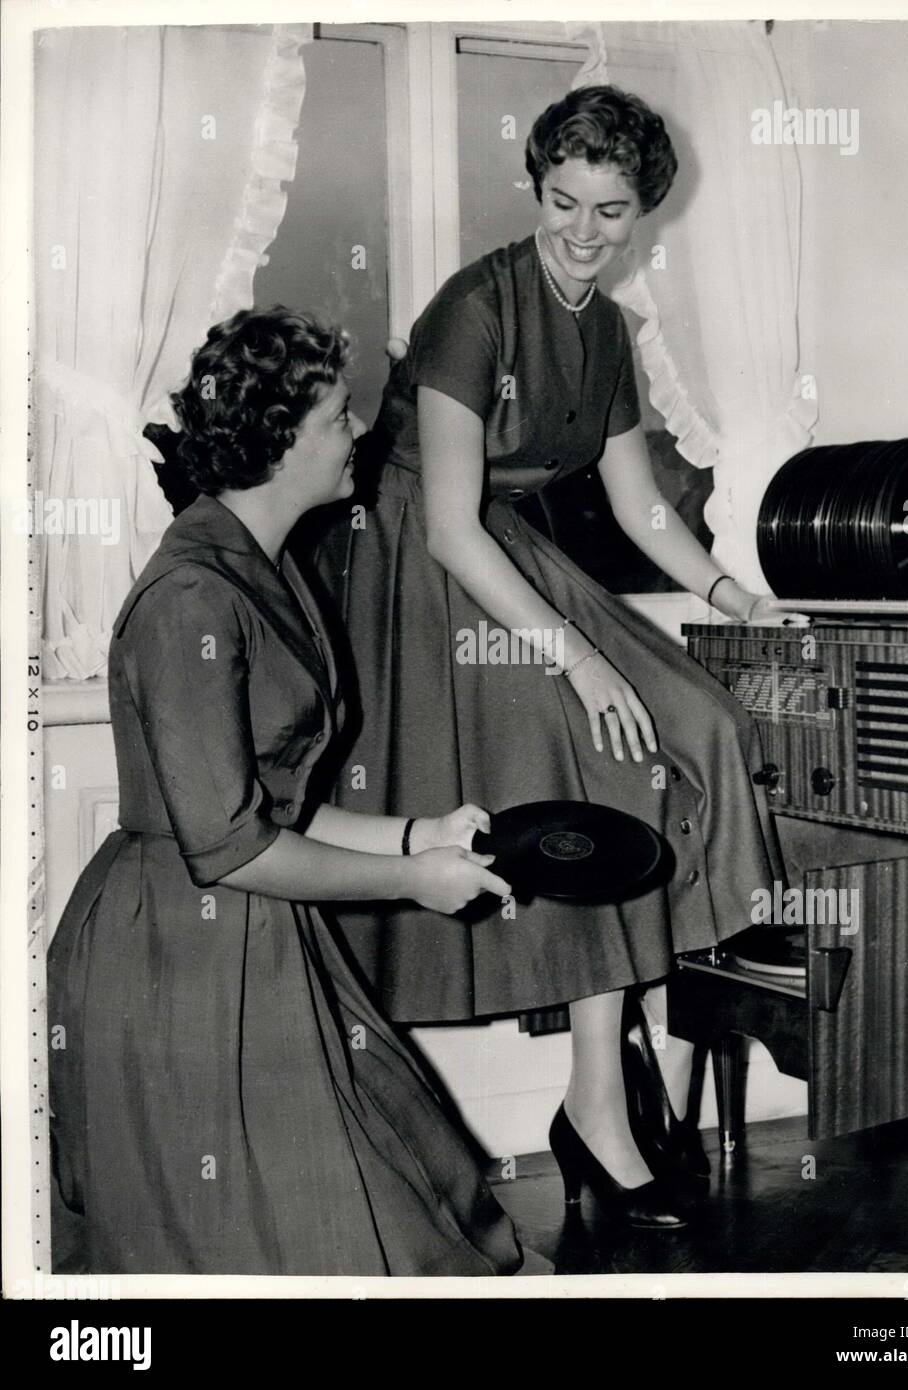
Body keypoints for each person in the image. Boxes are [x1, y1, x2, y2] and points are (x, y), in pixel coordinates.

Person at [306, 85, 785, 1227]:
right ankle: (596, 1115)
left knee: (701, 729)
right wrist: (580, 661)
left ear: (643, 215)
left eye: (610, 210)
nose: (582, 231)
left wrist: (731, 592)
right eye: (562, 201)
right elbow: (450, 524)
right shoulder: (475, 307)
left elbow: (638, 504)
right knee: (593, 767)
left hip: (509, 562)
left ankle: (606, 1085)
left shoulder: (609, 329)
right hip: (423, 563)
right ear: (536, 190)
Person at [47, 307, 526, 1276]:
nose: (357, 433)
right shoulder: (193, 596)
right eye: (335, 418)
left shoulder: (259, 563)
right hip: (176, 952)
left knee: (369, 1200)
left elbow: (271, 801)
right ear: (277, 443)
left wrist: (413, 833)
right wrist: (412, 880)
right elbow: (228, 843)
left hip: (249, 924)